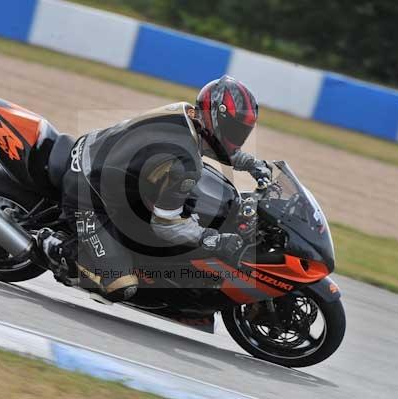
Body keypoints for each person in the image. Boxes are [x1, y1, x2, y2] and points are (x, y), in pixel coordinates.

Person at [36, 75, 272, 302]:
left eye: (244, 131)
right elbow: (165, 224)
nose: (239, 136)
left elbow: (217, 146)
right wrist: (212, 239)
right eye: (236, 129)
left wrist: (252, 164)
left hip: (95, 155)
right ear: (216, 119)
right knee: (120, 285)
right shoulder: (186, 162)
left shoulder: (187, 114)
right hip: (86, 193)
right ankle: (52, 246)